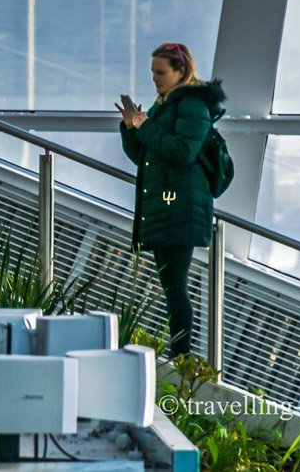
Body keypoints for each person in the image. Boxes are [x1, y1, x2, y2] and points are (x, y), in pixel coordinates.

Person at [115, 41, 225, 359]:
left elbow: (182, 152)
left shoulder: (190, 105)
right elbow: (145, 157)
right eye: (151, 72)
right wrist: (129, 128)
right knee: (171, 284)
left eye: (160, 72)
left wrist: (146, 125)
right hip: (167, 206)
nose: (154, 78)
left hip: (181, 207)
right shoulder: (164, 104)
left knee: (175, 284)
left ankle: (181, 354)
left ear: (181, 71)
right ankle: (180, 352)